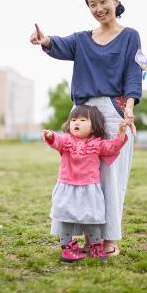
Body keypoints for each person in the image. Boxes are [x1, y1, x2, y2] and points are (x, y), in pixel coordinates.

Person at [30, 0, 145, 256]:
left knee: (110, 179)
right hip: (81, 113)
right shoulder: (82, 39)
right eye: (92, 4)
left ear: (116, 0)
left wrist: (129, 108)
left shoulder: (130, 36)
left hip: (114, 111)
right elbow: (58, 45)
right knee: (77, 176)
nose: (98, 8)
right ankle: (77, 238)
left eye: (103, 1)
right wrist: (44, 40)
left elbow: (133, 72)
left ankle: (108, 241)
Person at [42, 104, 129, 262]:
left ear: (94, 126)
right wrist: (50, 136)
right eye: (74, 119)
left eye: (83, 120)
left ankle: (95, 245)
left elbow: (112, 147)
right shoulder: (67, 140)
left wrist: (121, 134)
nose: (76, 122)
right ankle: (67, 247)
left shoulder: (97, 143)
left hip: (90, 188)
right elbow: (58, 141)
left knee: (92, 217)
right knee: (65, 217)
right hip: (67, 187)